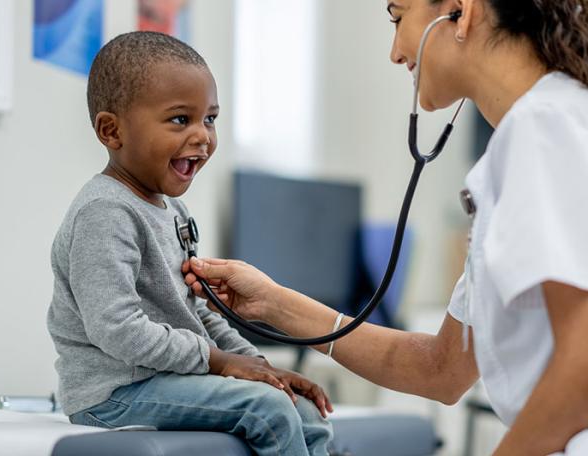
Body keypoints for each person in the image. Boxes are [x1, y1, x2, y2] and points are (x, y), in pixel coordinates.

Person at [184, 0, 588, 454]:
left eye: (398, 18)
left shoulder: (545, 124)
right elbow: (442, 369)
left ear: (459, 11)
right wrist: (272, 303)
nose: (395, 52)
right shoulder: (535, 132)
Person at [47, 31, 334, 456]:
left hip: (168, 378)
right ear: (112, 130)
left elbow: (199, 312)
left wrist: (263, 368)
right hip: (113, 395)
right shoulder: (105, 212)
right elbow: (117, 330)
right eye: (181, 119)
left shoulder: (173, 213)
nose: (203, 136)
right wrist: (220, 363)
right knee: (269, 410)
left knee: (301, 408)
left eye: (210, 119)